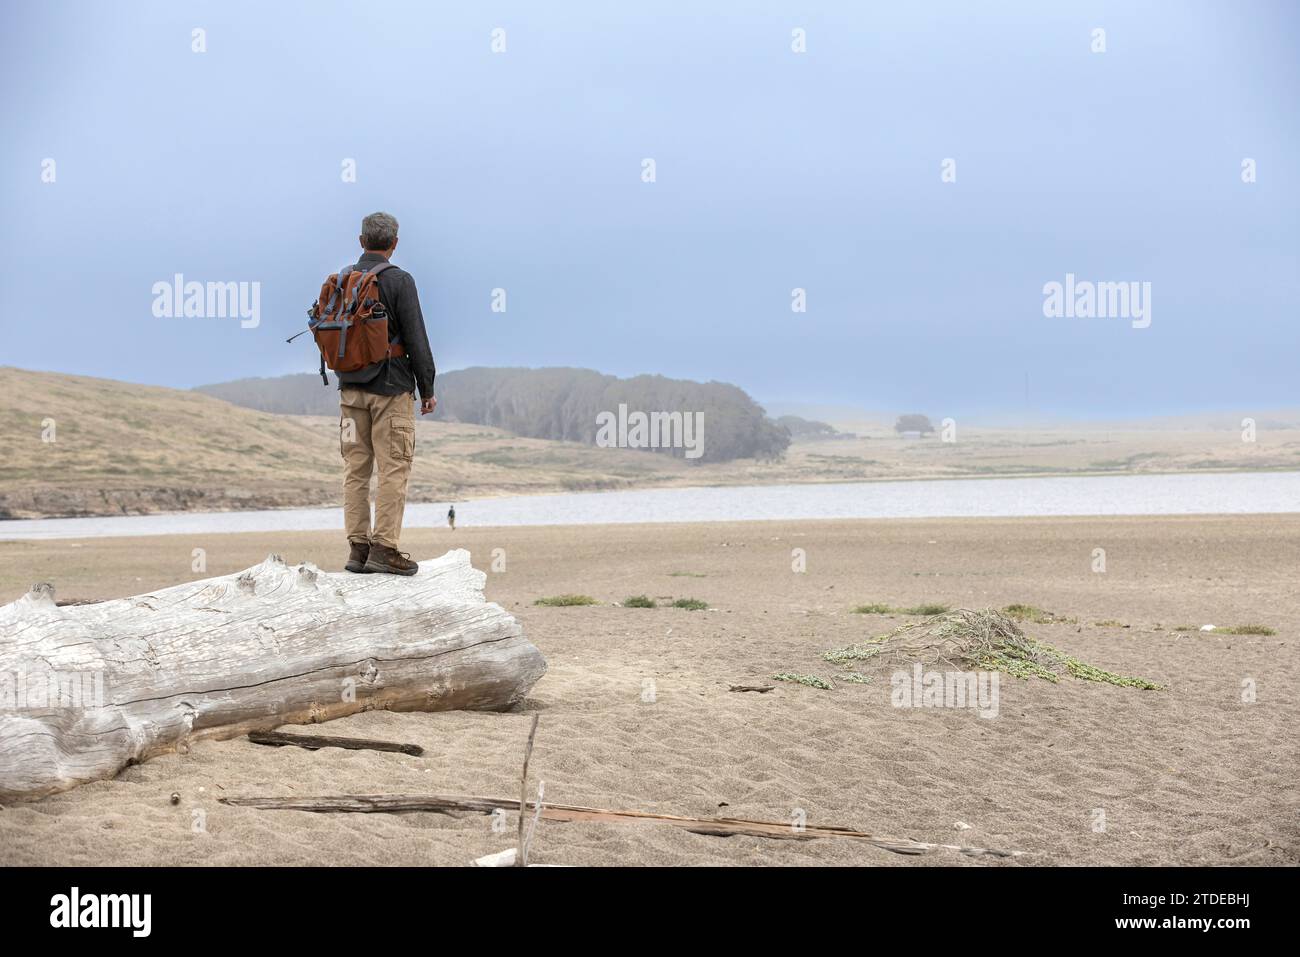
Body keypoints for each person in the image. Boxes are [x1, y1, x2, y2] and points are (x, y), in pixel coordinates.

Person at [339, 212, 437, 576]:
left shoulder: (342, 280)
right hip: (391, 389)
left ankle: (357, 548)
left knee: (355, 470)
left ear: (361, 241)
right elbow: (416, 338)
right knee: (394, 469)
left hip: (350, 390)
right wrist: (427, 388)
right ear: (394, 244)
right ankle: (384, 548)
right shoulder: (400, 281)